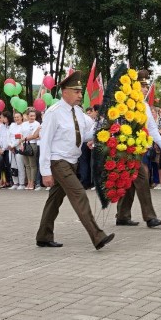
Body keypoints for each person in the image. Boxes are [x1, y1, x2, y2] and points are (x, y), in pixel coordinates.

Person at [36, 71, 114, 249]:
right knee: (80, 195)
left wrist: (104, 129)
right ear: (65, 92)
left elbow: (85, 134)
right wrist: (45, 171)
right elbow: (45, 142)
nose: (80, 95)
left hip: (72, 162)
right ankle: (97, 236)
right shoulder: (53, 113)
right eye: (76, 91)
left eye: (81, 92)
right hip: (58, 161)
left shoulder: (78, 112)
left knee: (54, 200)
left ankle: (43, 236)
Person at [115, 70, 161, 227]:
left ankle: (122, 216)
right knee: (142, 179)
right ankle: (150, 217)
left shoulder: (144, 106)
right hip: (125, 148)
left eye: (146, 86)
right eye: (143, 86)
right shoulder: (124, 103)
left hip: (139, 149)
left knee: (129, 182)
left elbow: (152, 128)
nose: (146, 89)